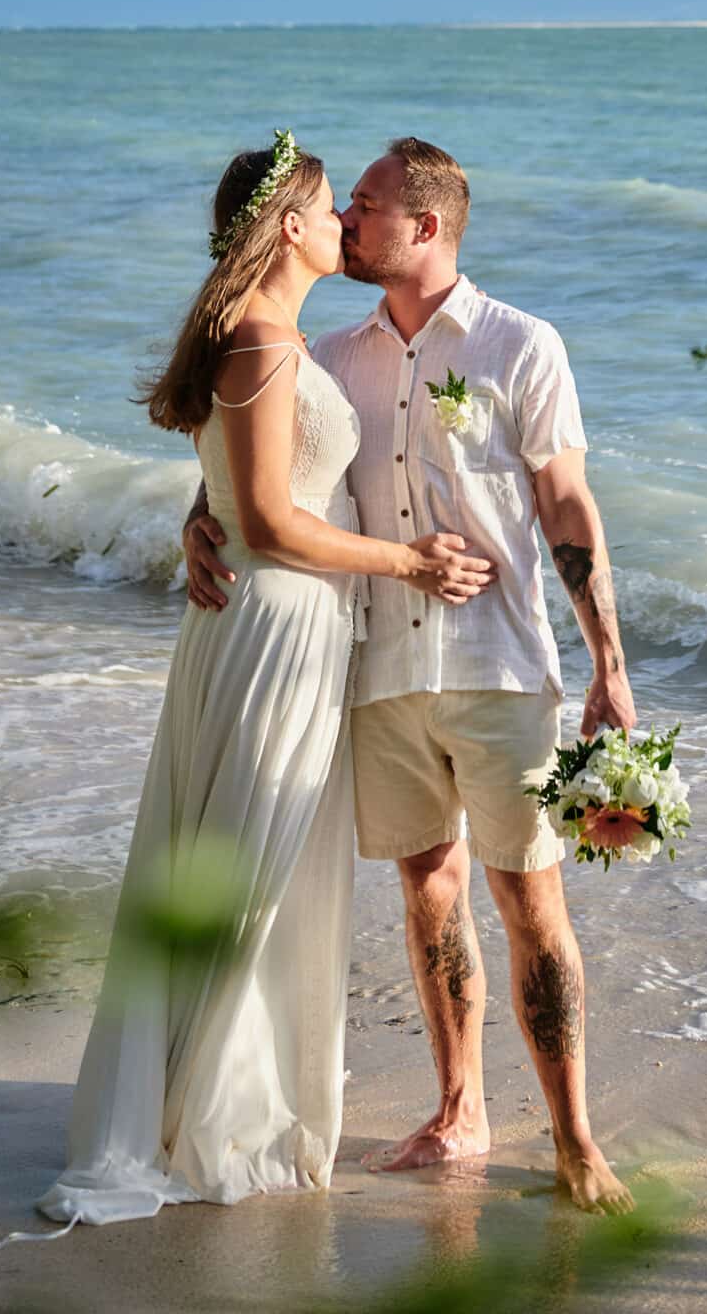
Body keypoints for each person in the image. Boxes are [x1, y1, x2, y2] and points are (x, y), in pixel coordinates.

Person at [37, 136, 494, 1227]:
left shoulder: (272, 341)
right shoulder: (262, 347)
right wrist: (412, 560)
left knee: (252, 859)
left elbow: (243, 496)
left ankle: (212, 1087)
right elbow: (281, 520)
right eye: (335, 207)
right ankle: (203, 1104)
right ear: (288, 226)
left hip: (275, 623)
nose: (347, 223)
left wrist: (206, 521)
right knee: (246, 862)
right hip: (277, 630)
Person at [184, 136, 636, 1215]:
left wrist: (608, 662)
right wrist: (198, 522)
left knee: (531, 902)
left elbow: (568, 507)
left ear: (424, 227)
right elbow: (266, 474)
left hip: (498, 666)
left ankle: (577, 1138)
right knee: (426, 894)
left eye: (368, 206)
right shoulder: (330, 353)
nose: (348, 222)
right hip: (375, 667)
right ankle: (459, 1107)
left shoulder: (523, 345)